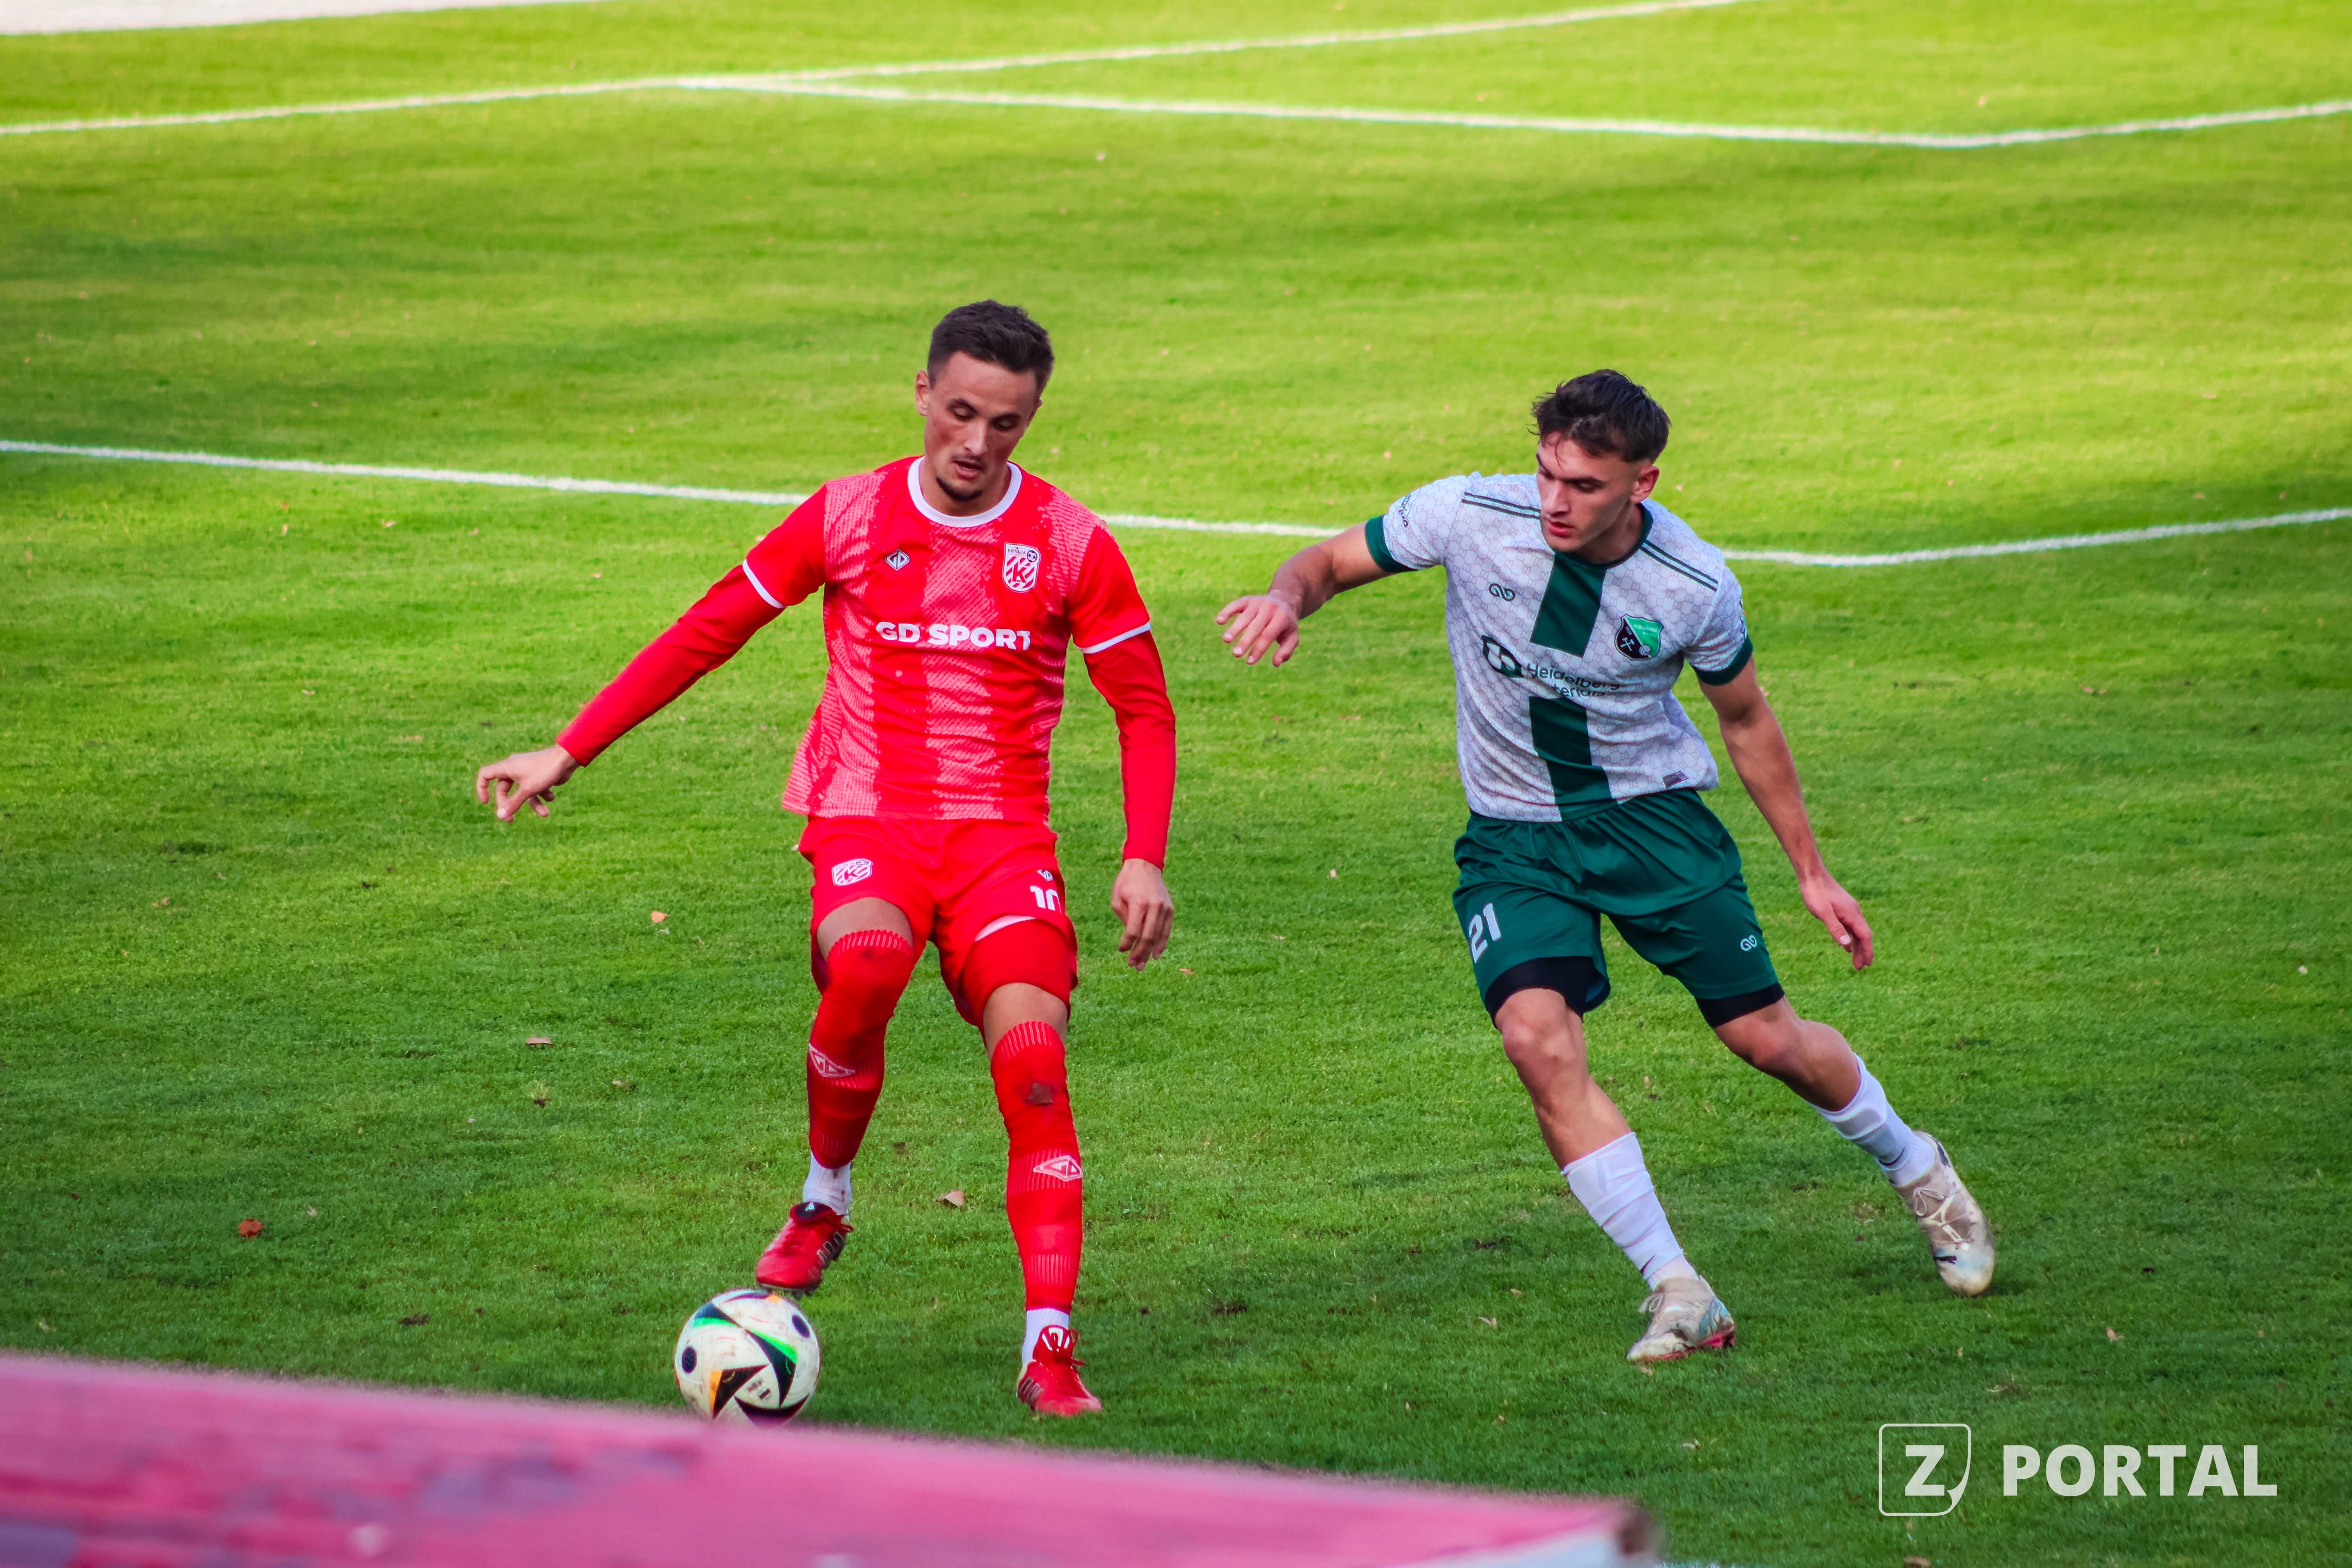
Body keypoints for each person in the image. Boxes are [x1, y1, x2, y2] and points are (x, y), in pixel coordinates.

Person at [474, 301, 1176, 1414]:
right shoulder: (847, 514)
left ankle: (1048, 1347)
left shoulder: (1070, 541)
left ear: (1032, 416)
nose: (976, 442)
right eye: (959, 412)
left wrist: (1142, 856)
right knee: (865, 965)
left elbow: (1142, 707)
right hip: (868, 818)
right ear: (922, 392)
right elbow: (710, 627)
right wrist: (569, 747)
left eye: (1005, 422)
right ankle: (824, 1195)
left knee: (1035, 1061)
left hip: (1001, 840)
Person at [1213, 370, 1991, 1362]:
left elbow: (1744, 719)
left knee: (1765, 1039)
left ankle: (1915, 1165)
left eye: (1583, 484)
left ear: (1641, 482)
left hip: (1651, 826)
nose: (1555, 500)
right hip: (1513, 837)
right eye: (1547, 473)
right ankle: (1677, 1285)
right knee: (1534, 1040)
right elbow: (1325, 561)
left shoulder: (1692, 583)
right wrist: (1285, 600)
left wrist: (1811, 869)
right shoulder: (1468, 513)